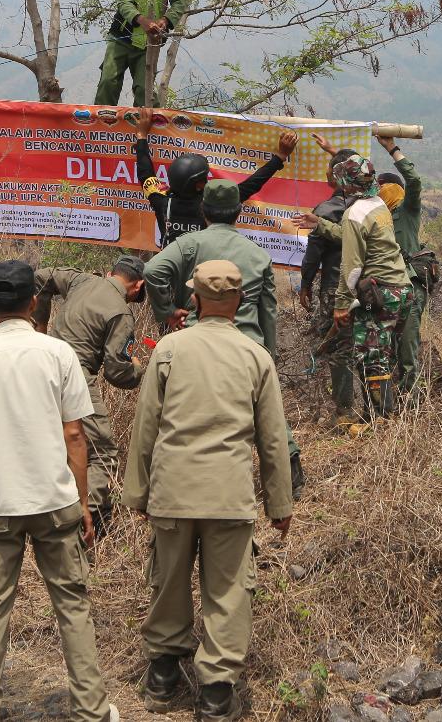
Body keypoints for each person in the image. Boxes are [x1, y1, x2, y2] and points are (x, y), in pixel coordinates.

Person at [0, 261, 118, 722]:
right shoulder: (57, 355)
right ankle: (92, 711)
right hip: (56, 503)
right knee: (73, 606)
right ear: (33, 303)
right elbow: (76, 436)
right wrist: (83, 504)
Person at [123, 260, 293, 722]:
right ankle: (216, 694)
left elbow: (146, 428)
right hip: (228, 495)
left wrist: (137, 493)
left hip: (173, 491)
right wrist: (279, 502)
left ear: (194, 300)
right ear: (239, 302)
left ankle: (162, 675)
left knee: (168, 580)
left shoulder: (169, 350)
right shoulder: (255, 356)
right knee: (229, 591)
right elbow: (273, 438)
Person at [143, 181, 304, 496]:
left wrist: (167, 311)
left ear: (204, 211)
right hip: (246, 345)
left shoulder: (189, 245)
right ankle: (290, 470)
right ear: (238, 212)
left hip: (198, 343)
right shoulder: (258, 255)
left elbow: (152, 271)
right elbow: (267, 311)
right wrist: (265, 354)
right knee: (265, 412)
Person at [34, 256, 149, 540]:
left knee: (59, 447)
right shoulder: (121, 313)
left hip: (40, 372)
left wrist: (39, 329)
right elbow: (116, 372)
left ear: (110, 273)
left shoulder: (81, 279)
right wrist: (136, 367)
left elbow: (40, 277)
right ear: (138, 286)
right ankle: (83, 524)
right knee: (101, 453)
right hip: (76, 379)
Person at [298, 153, 409, 420]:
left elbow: (352, 267)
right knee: (382, 351)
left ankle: (382, 421)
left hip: (379, 290)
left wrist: (341, 305)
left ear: (346, 183)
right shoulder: (377, 205)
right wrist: (321, 224)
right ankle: (381, 415)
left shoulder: (354, 212)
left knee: (373, 356)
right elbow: (353, 234)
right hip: (399, 288)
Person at [134, 111, 297, 245]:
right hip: (201, 275)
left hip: (170, 273)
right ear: (198, 185)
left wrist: (141, 135)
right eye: (205, 178)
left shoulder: (161, 201)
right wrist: (280, 156)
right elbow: (251, 185)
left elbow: (145, 174)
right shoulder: (212, 205)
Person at [299, 151, 358, 429]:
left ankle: (344, 410)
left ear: (335, 175)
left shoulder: (324, 211)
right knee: (369, 343)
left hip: (335, 287)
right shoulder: (370, 207)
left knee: (338, 346)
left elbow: (314, 254)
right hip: (370, 287)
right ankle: (379, 408)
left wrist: (305, 285)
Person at [370, 136, 434, 393]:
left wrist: (392, 149)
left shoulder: (406, 211)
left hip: (410, 287)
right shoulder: (375, 218)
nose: (378, 191)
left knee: (407, 347)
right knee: (387, 348)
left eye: (382, 187)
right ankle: (393, 400)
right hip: (385, 288)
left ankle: (412, 403)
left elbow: (415, 181)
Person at [95, 0, 186, 107]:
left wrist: (165, 20)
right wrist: (142, 20)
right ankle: (102, 125)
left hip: (149, 43)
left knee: (144, 90)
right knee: (108, 81)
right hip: (121, 39)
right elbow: (124, 2)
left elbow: (179, 2)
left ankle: (148, 128)